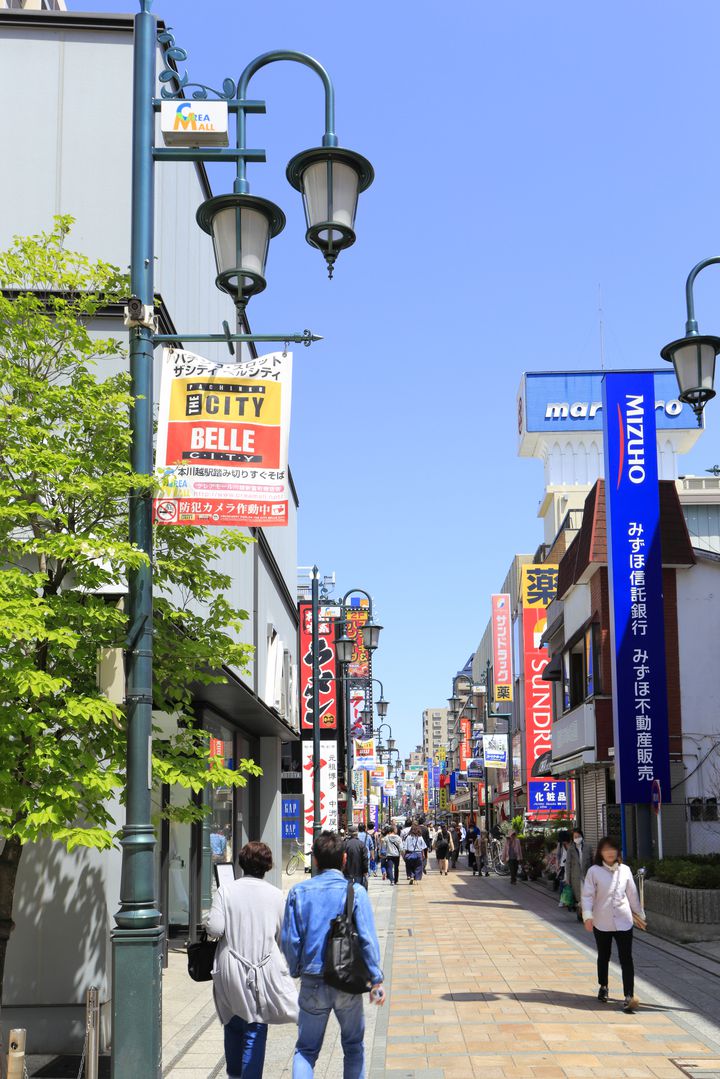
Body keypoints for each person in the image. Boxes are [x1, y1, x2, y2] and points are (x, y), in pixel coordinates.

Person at [281, 832, 385, 1078]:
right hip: (347, 980)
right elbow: (368, 940)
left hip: (312, 980)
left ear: (315, 860)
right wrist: (376, 980)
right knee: (353, 1046)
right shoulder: (355, 892)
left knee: (306, 1049)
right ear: (345, 858)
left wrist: (297, 968)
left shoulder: (298, 892)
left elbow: (289, 940)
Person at [207, 841, 298, 1078]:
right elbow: (283, 936)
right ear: (267, 866)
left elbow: (215, 929)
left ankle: (234, 1074)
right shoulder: (277, 895)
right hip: (261, 967)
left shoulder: (226, 891)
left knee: (233, 1022)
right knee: (256, 1024)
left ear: (241, 863)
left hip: (230, 966)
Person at [582, 836, 644, 1013]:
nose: (609, 852)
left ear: (617, 852)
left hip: (624, 921)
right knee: (603, 955)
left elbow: (632, 895)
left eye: (613, 849)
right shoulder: (594, 871)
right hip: (602, 921)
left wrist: (639, 915)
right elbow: (587, 896)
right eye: (605, 849)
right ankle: (603, 986)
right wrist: (588, 916)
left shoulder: (625, 870)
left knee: (627, 958)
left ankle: (629, 995)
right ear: (600, 853)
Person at [566, 827, 593, 921]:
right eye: (575, 836)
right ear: (573, 838)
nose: (577, 838)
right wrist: (567, 879)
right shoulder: (571, 849)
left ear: (582, 836)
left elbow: (592, 862)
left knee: (588, 896)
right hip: (575, 877)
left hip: (587, 876)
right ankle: (580, 912)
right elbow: (568, 864)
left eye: (579, 836)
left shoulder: (588, 847)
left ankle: (585, 913)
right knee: (580, 896)